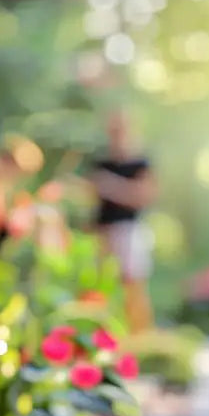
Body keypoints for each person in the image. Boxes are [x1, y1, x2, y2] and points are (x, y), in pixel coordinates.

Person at [92, 110, 158, 332]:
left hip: (129, 230)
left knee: (134, 287)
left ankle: (141, 334)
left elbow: (145, 196)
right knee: (104, 287)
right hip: (104, 232)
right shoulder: (102, 162)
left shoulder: (140, 162)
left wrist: (111, 187)